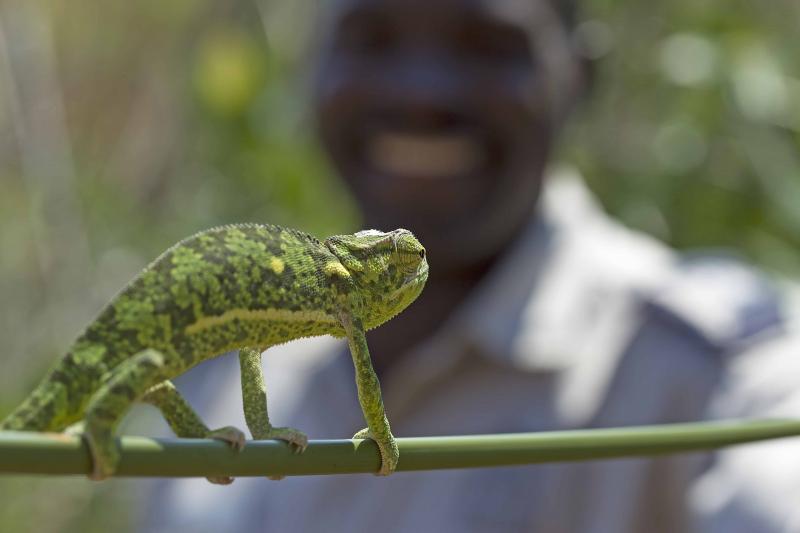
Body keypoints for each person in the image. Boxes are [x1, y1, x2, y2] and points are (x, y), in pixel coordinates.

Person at [142, 0, 800, 531]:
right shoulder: (228, 367)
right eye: (372, 35)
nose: (421, 93)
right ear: (311, 67)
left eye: (487, 43)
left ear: (579, 76)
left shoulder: (719, 372)